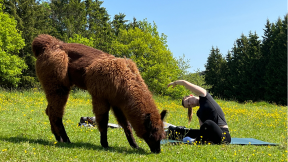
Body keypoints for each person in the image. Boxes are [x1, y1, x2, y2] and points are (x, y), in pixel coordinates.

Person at [167, 80, 231, 144]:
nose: (190, 104)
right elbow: (202, 130)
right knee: (185, 132)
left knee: (208, 123)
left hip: (223, 136)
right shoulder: (199, 113)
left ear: (191, 95)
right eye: (189, 105)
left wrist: (175, 83)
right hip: (211, 136)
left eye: (188, 101)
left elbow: (184, 83)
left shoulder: (205, 96)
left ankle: (195, 141)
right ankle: (167, 133)